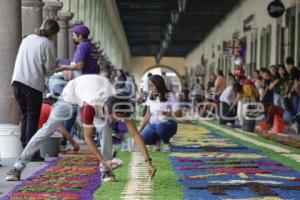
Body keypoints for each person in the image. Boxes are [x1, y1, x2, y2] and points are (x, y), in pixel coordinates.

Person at [6, 75, 156, 181]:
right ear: (107, 111)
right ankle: (18, 167)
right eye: (117, 117)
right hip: (70, 96)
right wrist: (104, 160)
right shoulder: (90, 105)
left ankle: (106, 171)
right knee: (48, 129)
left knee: (105, 130)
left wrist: (148, 162)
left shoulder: (120, 104)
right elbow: (88, 138)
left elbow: (136, 135)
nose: (120, 120)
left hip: (94, 92)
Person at [11, 18, 60, 161]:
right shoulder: (48, 44)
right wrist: (54, 67)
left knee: (25, 115)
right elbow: (50, 70)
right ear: (54, 33)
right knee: (32, 118)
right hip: (32, 85)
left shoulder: (27, 39)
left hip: (17, 82)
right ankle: (31, 153)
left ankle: (24, 147)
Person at [139, 75, 182, 152]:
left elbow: (179, 114)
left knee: (160, 127)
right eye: (149, 86)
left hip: (168, 124)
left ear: (158, 85)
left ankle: (166, 143)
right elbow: (147, 115)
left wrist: (166, 113)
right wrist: (139, 131)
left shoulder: (170, 96)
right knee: (141, 140)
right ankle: (156, 140)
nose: (150, 88)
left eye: (152, 86)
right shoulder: (150, 96)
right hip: (153, 126)